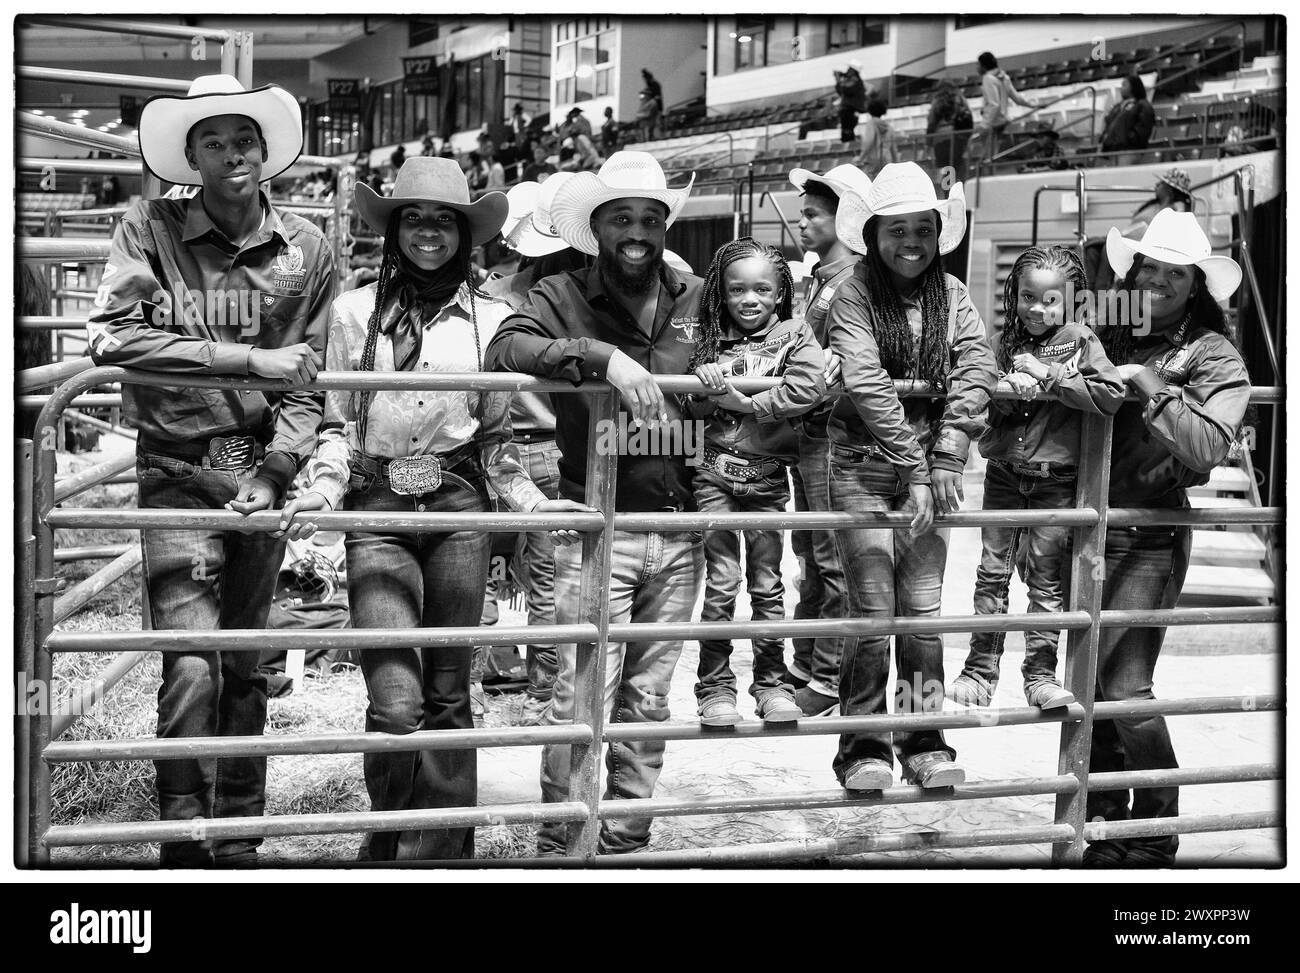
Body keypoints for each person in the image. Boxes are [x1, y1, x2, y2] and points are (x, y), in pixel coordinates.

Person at [276, 158, 589, 860]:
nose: (428, 232)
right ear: (393, 228)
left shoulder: (491, 319)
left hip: (457, 504)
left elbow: (497, 440)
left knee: (448, 690)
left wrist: (534, 504)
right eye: (413, 218)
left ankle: (446, 853)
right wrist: (323, 491)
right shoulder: (353, 313)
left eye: (443, 220)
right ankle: (387, 841)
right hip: (375, 505)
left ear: (464, 234)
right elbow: (336, 422)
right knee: (394, 701)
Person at [85, 74, 333, 867]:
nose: (232, 154)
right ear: (189, 157)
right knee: (191, 663)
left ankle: (237, 838)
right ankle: (182, 841)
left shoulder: (309, 249)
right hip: (176, 468)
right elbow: (116, 337)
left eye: (244, 139)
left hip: (259, 467)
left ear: (266, 152)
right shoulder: (146, 228)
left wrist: (282, 466)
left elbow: (312, 375)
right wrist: (247, 355)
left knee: (247, 662)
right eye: (213, 141)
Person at [484, 151, 704, 856]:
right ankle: (563, 840)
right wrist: (601, 356)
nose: (636, 231)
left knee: (649, 696)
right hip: (593, 522)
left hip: (680, 526)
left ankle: (626, 838)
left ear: (664, 223)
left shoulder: (700, 294)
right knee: (580, 695)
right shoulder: (562, 294)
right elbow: (505, 347)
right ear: (596, 227)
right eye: (621, 218)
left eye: (649, 217)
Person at [824, 162, 996, 791]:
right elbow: (866, 383)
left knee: (922, 613)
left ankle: (924, 740)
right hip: (865, 468)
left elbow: (977, 365)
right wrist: (920, 464)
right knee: (873, 614)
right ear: (874, 234)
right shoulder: (851, 293)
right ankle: (863, 748)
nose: (912, 242)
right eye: (897, 230)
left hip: (930, 469)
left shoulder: (952, 295)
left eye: (923, 228)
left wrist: (948, 450)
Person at [1085, 210, 1248, 867]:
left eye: (1172, 272)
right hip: (1090, 521)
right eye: (1148, 265)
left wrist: (1149, 384)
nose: (1155, 278)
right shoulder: (1108, 326)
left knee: (1123, 687)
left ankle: (1154, 825)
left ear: (1195, 285)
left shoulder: (1214, 353)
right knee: (1086, 685)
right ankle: (1098, 816)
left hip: (1150, 527)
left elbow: (1208, 445)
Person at [947, 246, 1124, 711]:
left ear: (1072, 300)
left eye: (1050, 300)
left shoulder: (1083, 341)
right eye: (1028, 297)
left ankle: (1040, 676)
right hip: (1004, 475)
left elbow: (1110, 394)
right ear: (1015, 294)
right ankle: (978, 672)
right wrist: (1005, 388)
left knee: (1046, 582)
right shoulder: (1005, 342)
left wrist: (1049, 378)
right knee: (991, 574)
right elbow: (984, 406)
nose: (1036, 309)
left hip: (1055, 481)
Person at [687, 238, 826, 726]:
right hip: (713, 475)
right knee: (722, 585)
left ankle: (771, 683)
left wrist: (748, 404)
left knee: (767, 587)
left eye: (762, 289)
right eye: (737, 290)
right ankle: (714, 688)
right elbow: (688, 407)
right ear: (721, 294)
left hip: (768, 481)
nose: (749, 300)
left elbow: (809, 386)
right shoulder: (706, 338)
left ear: (780, 291)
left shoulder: (794, 334)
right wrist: (704, 386)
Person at [484, 174, 591, 726]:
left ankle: (484, 675)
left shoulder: (492, 296)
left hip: (497, 447)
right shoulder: (576, 303)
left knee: (486, 566)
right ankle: (544, 688)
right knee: (550, 578)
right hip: (551, 448)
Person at [785, 162, 872, 717]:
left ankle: (828, 675)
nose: (802, 221)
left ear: (845, 218)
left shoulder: (857, 280)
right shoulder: (819, 278)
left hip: (831, 434)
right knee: (809, 555)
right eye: (802, 212)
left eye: (813, 213)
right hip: (804, 430)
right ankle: (805, 657)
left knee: (833, 556)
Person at [972, 52, 1033, 162]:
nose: (977, 67)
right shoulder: (1004, 77)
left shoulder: (988, 78)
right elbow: (1017, 99)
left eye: (978, 64)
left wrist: (985, 124)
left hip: (993, 123)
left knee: (987, 156)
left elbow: (994, 104)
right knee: (995, 154)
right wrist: (1033, 105)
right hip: (1003, 120)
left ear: (983, 65)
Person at [1100, 74, 1156, 165]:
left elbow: (1144, 127)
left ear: (1133, 87)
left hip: (1129, 150)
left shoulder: (1142, 105)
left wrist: (1130, 139)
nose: (1121, 88)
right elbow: (1109, 124)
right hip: (1114, 149)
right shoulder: (1117, 106)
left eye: (1124, 85)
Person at [926, 79, 974, 181]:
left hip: (939, 139)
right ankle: (960, 193)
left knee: (946, 171)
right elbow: (968, 119)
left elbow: (931, 123)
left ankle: (947, 194)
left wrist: (928, 143)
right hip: (957, 136)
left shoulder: (936, 101)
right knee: (958, 168)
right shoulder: (960, 99)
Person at [854, 97, 898, 176]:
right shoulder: (888, 126)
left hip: (874, 160)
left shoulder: (871, 124)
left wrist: (861, 158)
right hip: (887, 159)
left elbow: (869, 142)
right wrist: (896, 163)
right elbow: (893, 148)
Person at [834, 62, 868, 145]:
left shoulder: (855, 81)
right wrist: (839, 81)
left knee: (847, 130)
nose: (847, 70)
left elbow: (846, 90)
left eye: (850, 68)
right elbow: (840, 91)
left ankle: (849, 145)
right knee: (846, 130)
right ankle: (848, 144)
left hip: (851, 109)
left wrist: (839, 80)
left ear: (853, 70)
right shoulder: (851, 80)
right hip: (847, 109)